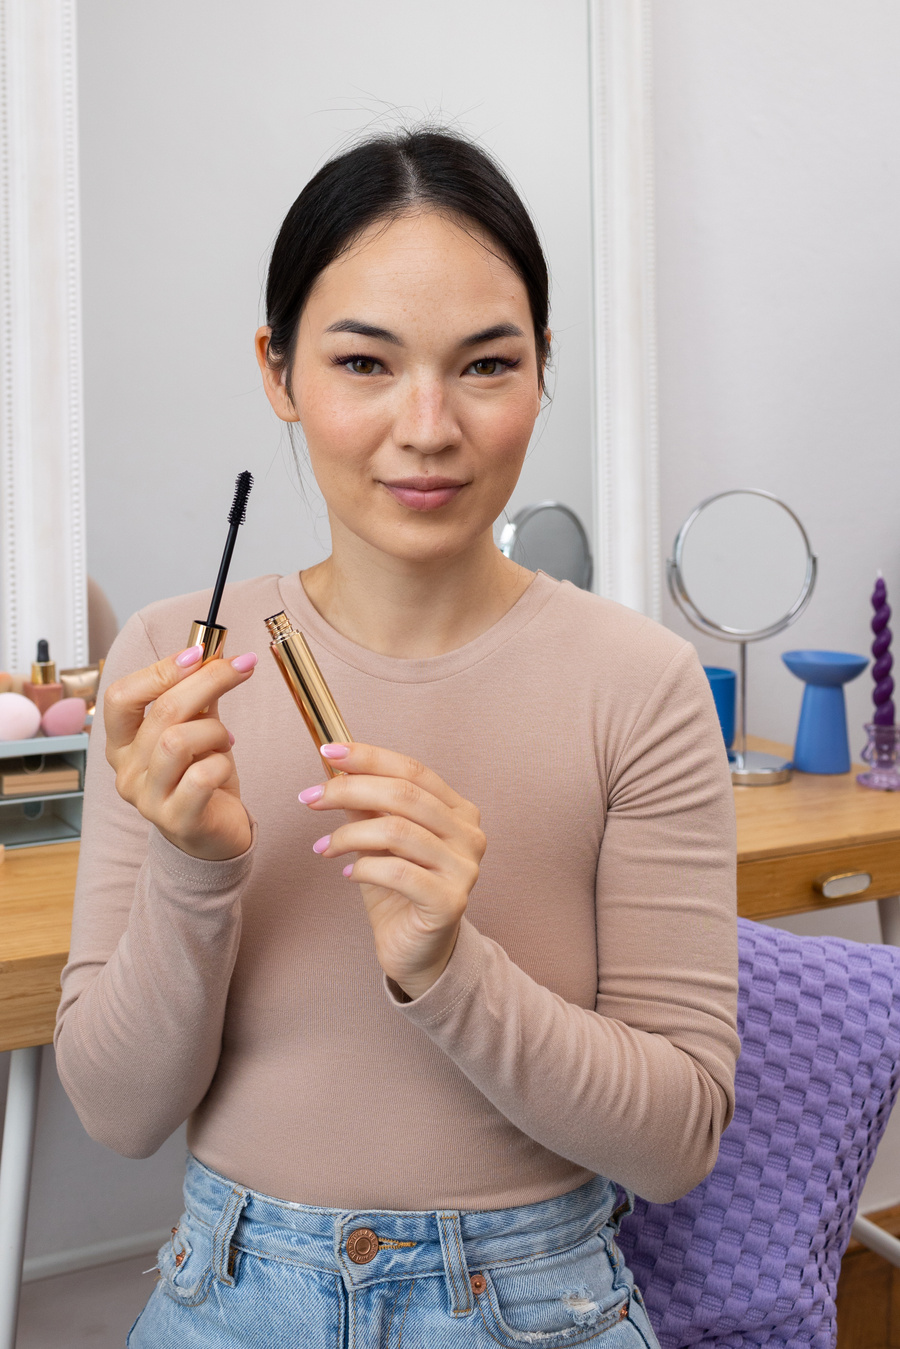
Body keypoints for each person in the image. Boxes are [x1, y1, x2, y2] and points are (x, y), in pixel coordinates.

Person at [55, 126, 740, 1348]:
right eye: (365, 362)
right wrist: (195, 869)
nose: (428, 426)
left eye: (486, 364)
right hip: (227, 1295)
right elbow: (118, 1112)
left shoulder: (641, 686)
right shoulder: (174, 668)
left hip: (537, 1302)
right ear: (278, 370)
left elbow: (677, 1141)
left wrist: (447, 965)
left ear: (543, 369)